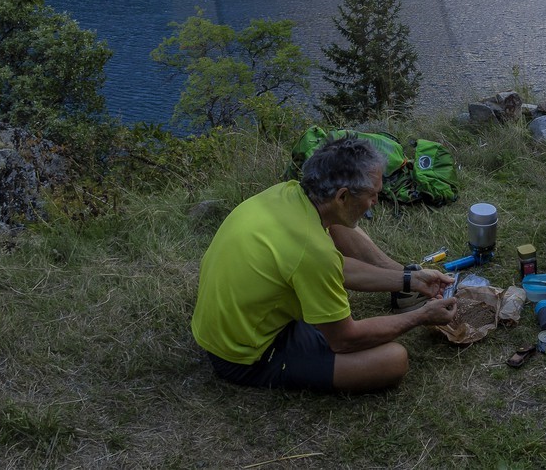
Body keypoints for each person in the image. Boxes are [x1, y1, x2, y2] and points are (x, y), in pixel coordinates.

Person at [191, 134, 457, 392]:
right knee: (394, 359)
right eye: (372, 195)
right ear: (342, 196)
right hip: (243, 355)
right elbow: (344, 340)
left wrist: (409, 279)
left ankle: (406, 280)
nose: (375, 202)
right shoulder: (313, 252)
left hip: (223, 326)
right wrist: (421, 316)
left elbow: (337, 267)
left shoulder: (287, 192)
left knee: (337, 224)